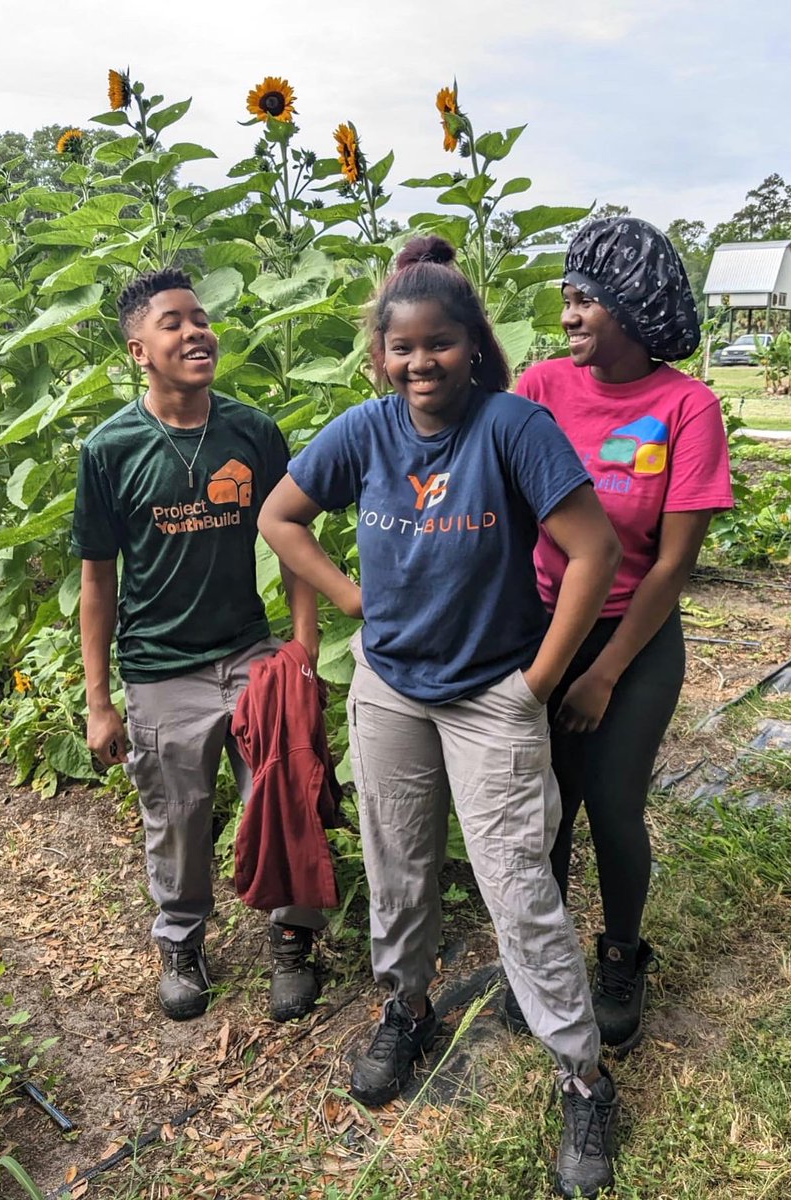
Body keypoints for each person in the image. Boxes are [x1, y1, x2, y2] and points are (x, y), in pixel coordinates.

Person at [259, 235, 625, 1199]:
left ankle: (583, 1076)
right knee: (397, 866)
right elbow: (279, 517)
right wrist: (350, 599)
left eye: (439, 344)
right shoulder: (364, 431)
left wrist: (535, 683)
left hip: (490, 694)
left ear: (473, 347)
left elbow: (592, 551)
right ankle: (407, 1008)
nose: (420, 363)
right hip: (389, 689)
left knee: (517, 887)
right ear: (380, 354)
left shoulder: (511, 427)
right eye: (402, 347)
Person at [71, 268, 326, 1024]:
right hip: (159, 668)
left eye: (200, 318)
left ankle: (292, 937)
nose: (195, 332)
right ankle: (181, 941)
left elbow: (291, 539)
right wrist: (99, 701)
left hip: (249, 652)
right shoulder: (110, 449)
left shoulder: (252, 433)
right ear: (138, 350)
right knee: (177, 814)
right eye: (173, 322)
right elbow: (97, 579)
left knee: (282, 793)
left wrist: (303, 643)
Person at [511, 217, 734, 1056]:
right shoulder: (539, 388)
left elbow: (672, 565)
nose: (567, 314)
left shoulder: (685, 407)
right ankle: (544, 964)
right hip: (542, 627)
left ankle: (619, 957)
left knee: (610, 804)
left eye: (585, 299)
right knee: (543, 808)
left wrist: (603, 672)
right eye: (566, 297)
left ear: (633, 307)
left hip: (633, 640)